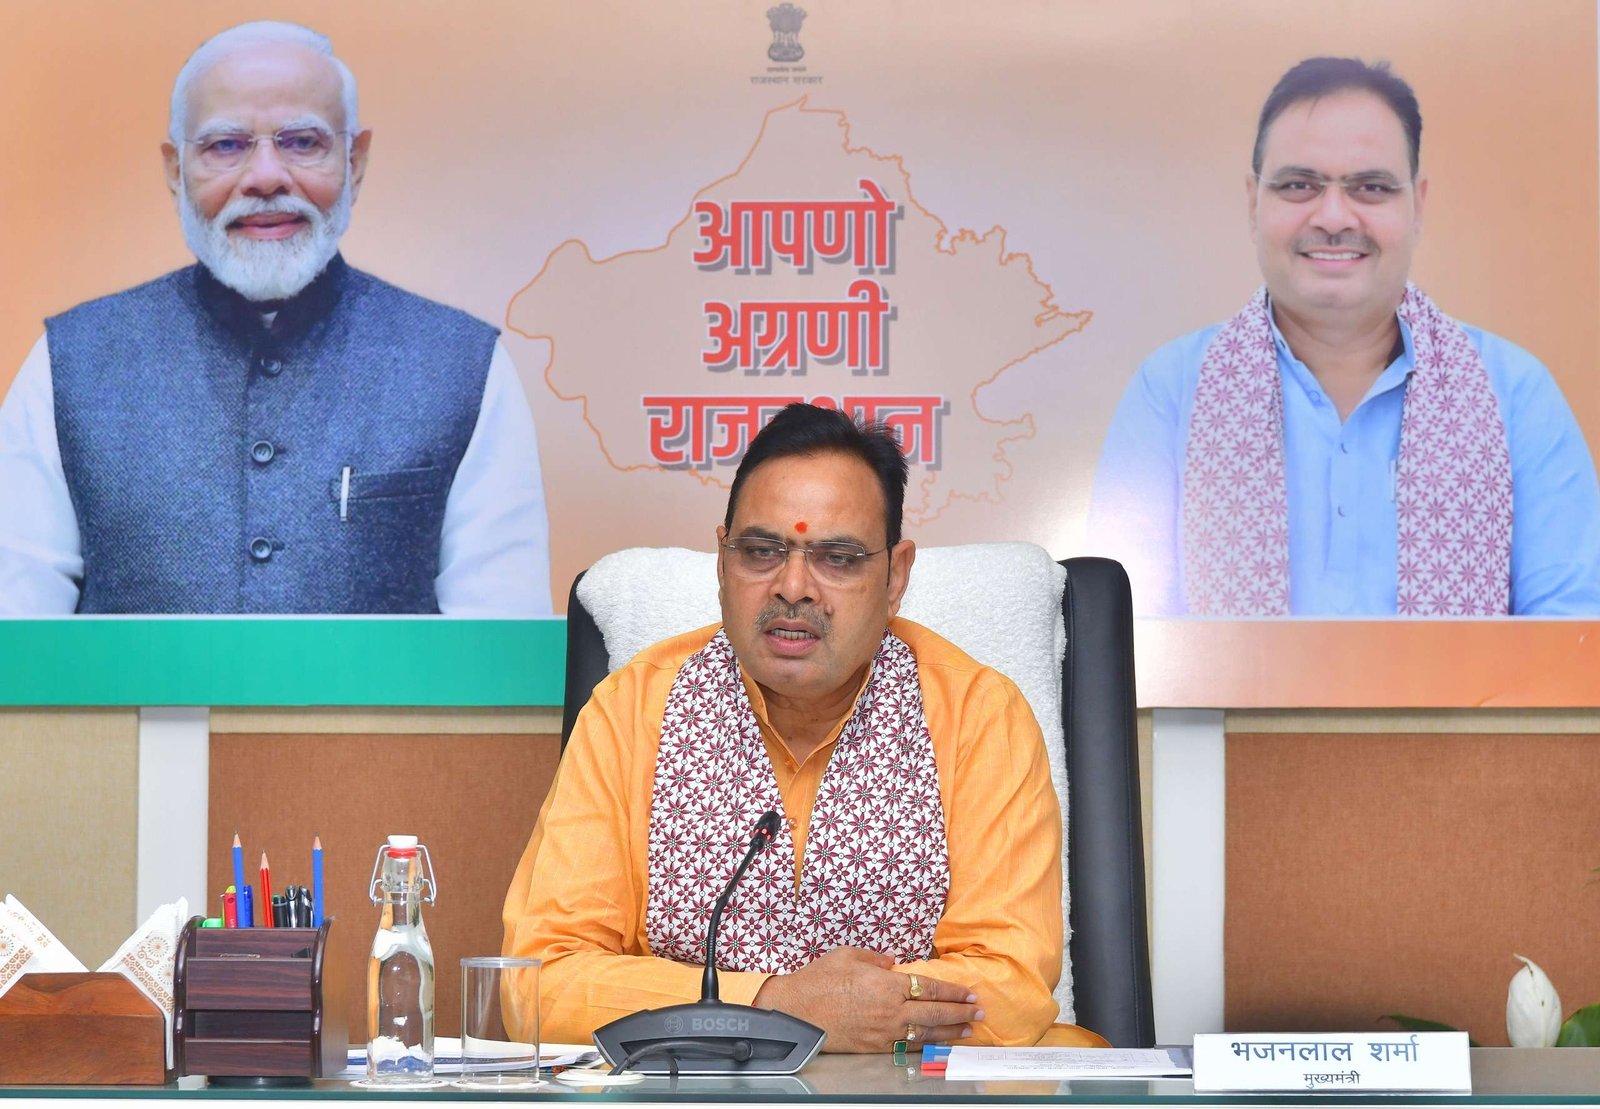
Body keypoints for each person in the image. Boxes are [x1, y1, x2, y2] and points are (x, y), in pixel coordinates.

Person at [503, 403, 1091, 1052]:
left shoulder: (978, 715)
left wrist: (865, 1017)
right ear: (722, 562)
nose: (792, 587)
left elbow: (1008, 985)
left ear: (895, 577)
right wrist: (771, 1008)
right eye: (761, 551)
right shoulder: (631, 711)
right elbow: (539, 984)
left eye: (837, 558)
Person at [0, 21, 550, 614]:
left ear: (355, 161)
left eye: (303, 142)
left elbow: (501, 649)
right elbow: (17, 638)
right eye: (225, 145)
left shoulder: (464, 368)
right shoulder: (66, 367)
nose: (265, 177)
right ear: (175, 171)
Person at [1090, 57, 1600, 617]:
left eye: (1371, 187)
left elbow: (1573, 630)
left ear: (1418, 206)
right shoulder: (1170, 392)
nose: (1334, 218)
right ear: (1253, 202)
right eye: (1299, 185)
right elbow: (1127, 632)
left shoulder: (1515, 395)